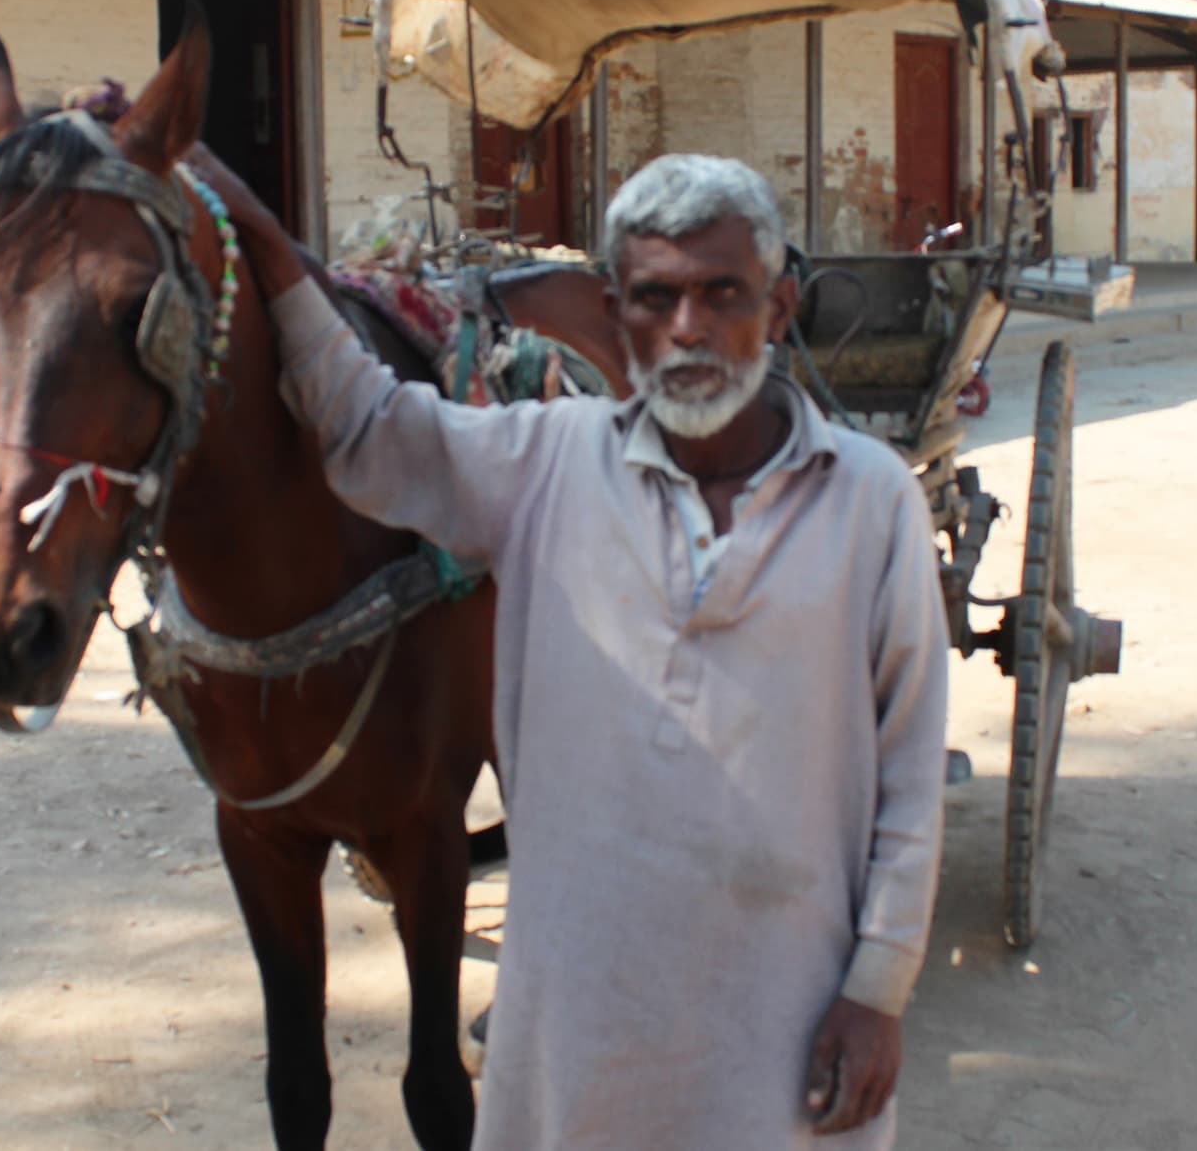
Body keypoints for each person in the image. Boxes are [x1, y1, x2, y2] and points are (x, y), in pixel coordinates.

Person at [243, 153, 949, 1149]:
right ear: (615, 316)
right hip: (578, 1032)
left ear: (781, 305)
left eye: (723, 293)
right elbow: (367, 428)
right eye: (656, 298)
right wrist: (258, 237)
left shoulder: (874, 501)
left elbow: (911, 772)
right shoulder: (543, 463)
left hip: (784, 1029)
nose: (690, 327)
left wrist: (879, 988)